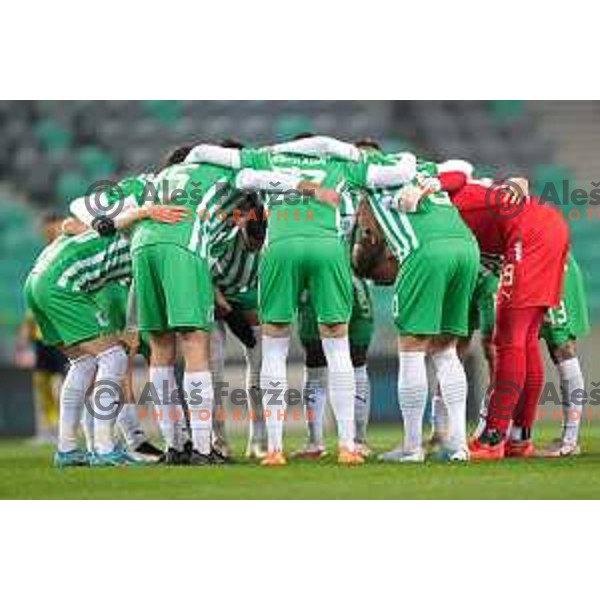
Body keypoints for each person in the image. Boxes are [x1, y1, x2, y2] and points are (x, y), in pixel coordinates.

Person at [24, 202, 186, 467]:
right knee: (114, 357)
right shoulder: (143, 239)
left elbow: (68, 224)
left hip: (36, 281)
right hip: (62, 285)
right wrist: (144, 211)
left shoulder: (103, 226)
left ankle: (67, 449)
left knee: (84, 363)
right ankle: (104, 447)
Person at [438, 164, 570, 459]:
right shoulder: (473, 192)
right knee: (525, 340)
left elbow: (454, 175)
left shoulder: (447, 201)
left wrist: (425, 185)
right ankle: (519, 437)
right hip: (548, 227)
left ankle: (492, 438)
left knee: (508, 339)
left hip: (529, 237)